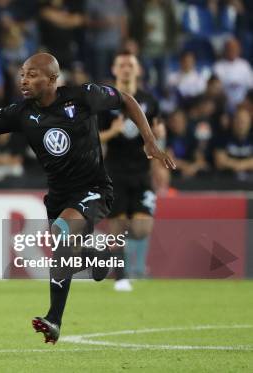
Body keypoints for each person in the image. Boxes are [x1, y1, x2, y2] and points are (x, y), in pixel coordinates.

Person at [0, 52, 175, 345]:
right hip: (58, 196)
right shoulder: (20, 112)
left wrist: (149, 140)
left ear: (53, 79)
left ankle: (61, 308)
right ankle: (91, 268)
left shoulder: (83, 97)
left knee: (62, 234)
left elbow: (126, 100)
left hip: (94, 188)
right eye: (22, 75)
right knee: (64, 252)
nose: (24, 80)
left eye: (32, 75)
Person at [98, 51, 162, 290]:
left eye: (130, 65)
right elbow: (92, 137)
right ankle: (121, 276)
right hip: (114, 171)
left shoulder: (149, 101)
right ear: (114, 70)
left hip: (142, 172)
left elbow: (157, 130)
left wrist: (160, 140)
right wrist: (113, 132)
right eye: (122, 64)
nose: (126, 68)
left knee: (140, 229)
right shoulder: (104, 101)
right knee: (117, 225)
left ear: (138, 70)